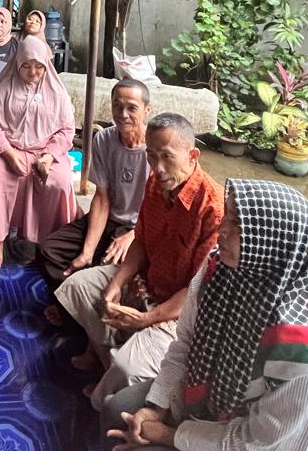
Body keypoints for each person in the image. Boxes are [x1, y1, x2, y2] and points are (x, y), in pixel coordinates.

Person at [102, 179, 308, 451]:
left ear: (273, 242)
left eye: (238, 224)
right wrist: (156, 405)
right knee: (118, 409)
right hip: (219, 407)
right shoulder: (219, 274)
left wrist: (166, 435)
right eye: (227, 215)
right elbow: (185, 343)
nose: (222, 229)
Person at [57, 113, 223, 411]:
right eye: (151, 156)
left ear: (192, 155)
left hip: (179, 308)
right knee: (78, 286)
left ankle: (110, 389)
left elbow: (196, 290)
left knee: (127, 367)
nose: (157, 168)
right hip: (146, 281)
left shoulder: (213, 208)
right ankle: (105, 359)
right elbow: (142, 241)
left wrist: (148, 319)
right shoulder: (155, 184)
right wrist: (117, 283)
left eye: (167, 157)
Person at [39, 80, 153, 293]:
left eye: (132, 108)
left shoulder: (155, 148)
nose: (123, 114)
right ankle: (67, 300)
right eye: (117, 106)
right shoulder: (104, 138)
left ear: (147, 110)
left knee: (108, 274)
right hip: (107, 219)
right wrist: (87, 251)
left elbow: (160, 209)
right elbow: (102, 197)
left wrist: (134, 235)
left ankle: (76, 300)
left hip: (138, 228)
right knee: (49, 250)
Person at [0, 36, 79, 257]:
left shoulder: (57, 91)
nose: (33, 72)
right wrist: (8, 152)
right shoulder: (2, 86)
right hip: (6, 147)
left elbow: (66, 129)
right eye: (26, 66)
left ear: (46, 65)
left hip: (45, 151)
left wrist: (49, 156)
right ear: (18, 63)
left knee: (61, 182)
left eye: (38, 66)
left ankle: (52, 243)